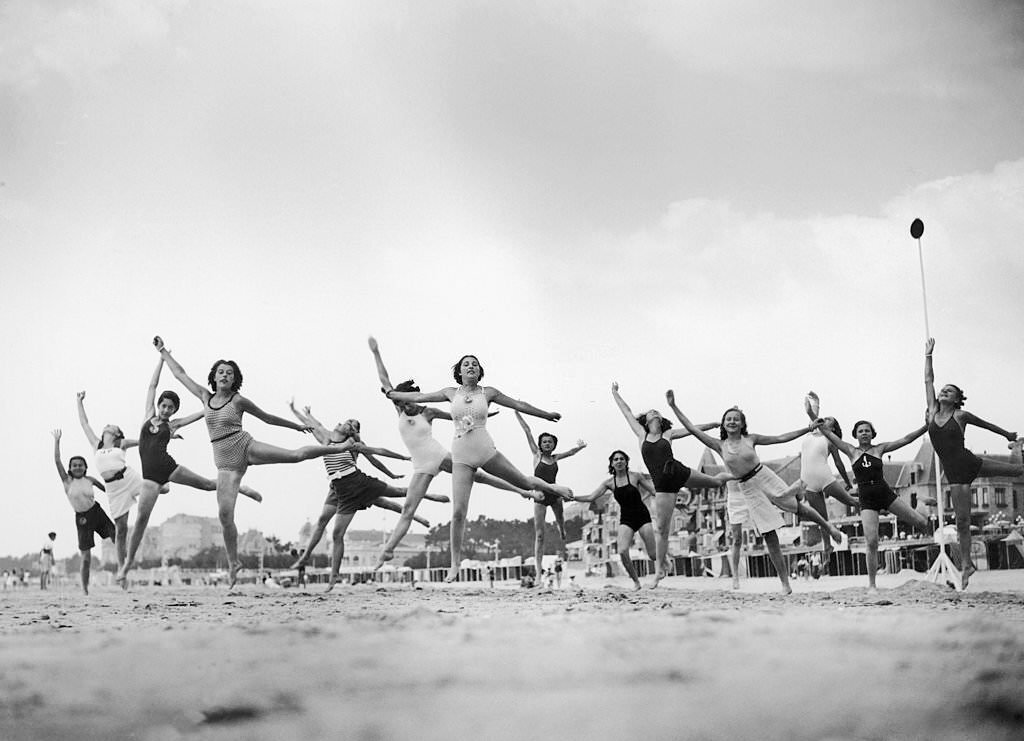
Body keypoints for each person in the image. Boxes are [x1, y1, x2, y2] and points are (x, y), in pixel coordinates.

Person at [153, 336, 356, 587]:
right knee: (225, 515)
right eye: (221, 372)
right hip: (225, 461)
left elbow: (267, 418)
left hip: (245, 446)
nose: (225, 375)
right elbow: (180, 374)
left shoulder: (238, 400)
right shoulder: (205, 397)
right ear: (214, 377)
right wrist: (163, 351)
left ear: (234, 378)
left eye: (229, 373)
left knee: (294, 456)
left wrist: (295, 426)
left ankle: (339, 449)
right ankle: (233, 563)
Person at [385, 354, 574, 582]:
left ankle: (556, 489)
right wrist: (393, 394)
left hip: (485, 450)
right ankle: (454, 565)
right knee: (458, 512)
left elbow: (518, 404)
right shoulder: (450, 393)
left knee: (524, 482)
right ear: (460, 372)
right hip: (461, 456)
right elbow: (421, 396)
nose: (470, 366)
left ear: (479, 370)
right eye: (466, 364)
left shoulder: (489, 393)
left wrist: (545, 414)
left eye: (474, 363)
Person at [368, 337, 540, 569]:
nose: (411, 407)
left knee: (480, 476)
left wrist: (485, 413)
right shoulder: (400, 409)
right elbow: (385, 381)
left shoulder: (428, 411)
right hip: (421, 464)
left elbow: (458, 415)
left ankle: (521, 490)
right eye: (407, 404)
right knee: (408, 509)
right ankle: (387, 551)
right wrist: (376, 352)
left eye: (414, 403)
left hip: (438, 454)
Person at [667, 393, 842, 595]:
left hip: (764, 475)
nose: (732, 422)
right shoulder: (719, 444)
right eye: (728, 419)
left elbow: (780, 438)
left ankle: (828, 526)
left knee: (799, 508)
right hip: (746, 487)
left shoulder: (751, 439)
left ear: (742, 424)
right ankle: (785, 583)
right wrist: (673, 406)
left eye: (736, 419)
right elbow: (691, 428)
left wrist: (807, 428)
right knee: (770, 535)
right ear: (723, 424)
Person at [118, 357, 263, 586]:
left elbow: (204, 412)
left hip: (168, 466)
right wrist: (160, 360)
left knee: (206, 484)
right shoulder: (148, 416)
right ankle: (126, 567)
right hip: (150, 479)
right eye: (163, 406)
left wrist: (208, 407)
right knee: (141, 521)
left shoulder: (173, 424)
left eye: (170, 408)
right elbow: (152, 387)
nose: (166, 410)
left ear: (174, 410)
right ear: (158, 405)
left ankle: (239, 487)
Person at [287, 402, 445, 593]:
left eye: (350, 423)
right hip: (338, 488)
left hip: (357, 483)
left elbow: (376, 455)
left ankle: (427, 494)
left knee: (394, 495)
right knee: (330, 527)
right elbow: (313, 423)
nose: (345, 423)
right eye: (347, 421)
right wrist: (296, 411)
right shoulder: (326, 438)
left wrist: (398, 464)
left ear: (351, 431)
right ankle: (316, 564)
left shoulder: (352, 444)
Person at [611, 382, 733, 587]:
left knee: (714, 481)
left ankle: (737, 475)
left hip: (678, 471)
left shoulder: (668, 434)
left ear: (661, 419)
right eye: (651, 412)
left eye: (657, 411)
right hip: (662, 485)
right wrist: (615, 393)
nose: (654, 413)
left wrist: (713, 424)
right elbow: (627, 412)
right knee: (662, 528)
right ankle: (659, 571)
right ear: (646, 420)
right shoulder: (642, 435)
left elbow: (692, 429)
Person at [925, 338, 1023, 588]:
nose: (944, 391)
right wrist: (928, 356)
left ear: (957, 399)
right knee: (962, 522)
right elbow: (928, 381)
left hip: (970, 463)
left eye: (950, 391)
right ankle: (967, 564)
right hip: (955, 473)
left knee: (1018, 470)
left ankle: (1017, 448)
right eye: (943, 390)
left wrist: (1007, 436)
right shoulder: (932, 412)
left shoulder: (961, 415)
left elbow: (986, 425)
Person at [819, 418, 930, 591]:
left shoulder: (880, 448)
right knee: (871, 542)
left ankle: (921, 504)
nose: (864, 433)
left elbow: (906, 439)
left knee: (922, 523)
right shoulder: (851, 450)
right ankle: (872, 584)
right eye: (861, 431)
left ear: (872, 433)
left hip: (885, 493)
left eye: (867, 430)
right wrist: (814, 418)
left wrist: (926, 426)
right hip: (867, 499)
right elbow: (829, 435)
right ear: (855, 435)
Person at [75, 391, 146, 571]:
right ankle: (123, 569)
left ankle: (166, 478)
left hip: (128, 478)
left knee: (162, 489)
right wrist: (79, 402)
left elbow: (145, 440)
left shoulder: (120, 443)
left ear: (116, 432)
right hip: (113, 489)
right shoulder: (96, 444)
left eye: (111, 425)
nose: (107, 425)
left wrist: (168, 435)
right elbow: (84, 423)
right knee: (121, 530)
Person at [514, 410, 586, 579]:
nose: (547, 444)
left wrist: (580, 447)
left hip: (555, 495)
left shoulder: (554, 458)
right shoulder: (536, 455)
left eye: (550, 442)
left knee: (560, 520)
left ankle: (561, 529)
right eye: (544, 442)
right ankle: (539, 572)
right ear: (540, 444)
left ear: (554, 445)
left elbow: (571, 452)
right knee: (539, 535)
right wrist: (517, 412)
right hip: (540, 497)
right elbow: (527, 430)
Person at [573, 450, 658, 591]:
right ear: (612, 463)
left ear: (626, 462)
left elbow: (653, 491)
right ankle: (636, 582)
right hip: (626, 518)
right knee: (623, 550)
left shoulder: (636, 477)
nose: (619, 461)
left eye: (622, 459)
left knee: (653, 555)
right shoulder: (609, 483)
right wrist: (573, 497)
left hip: (642, 515)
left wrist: (670, 498)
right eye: (616, 459)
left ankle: (664, 559)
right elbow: (591, 497)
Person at [800, 392, 858, 573]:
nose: (824, 420)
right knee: (822, 520)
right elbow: (815, 417)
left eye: (828, 421)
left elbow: (839, 463)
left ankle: (877, 506)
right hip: (807, 481)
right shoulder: (812, 433)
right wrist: (816, 402)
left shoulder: (830, 439)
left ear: (832, 428)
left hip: (824, 477)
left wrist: (847, 482)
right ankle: (827, 549)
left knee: (851, 501)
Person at [52, 430, 113, 596]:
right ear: (70, 468)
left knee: (117, 535)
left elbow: (109, 489)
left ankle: (124, 570)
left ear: (85, 467)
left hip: (97, 512)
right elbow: (57, 461)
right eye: (74, 465)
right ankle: (85, 588)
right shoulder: (67, 481)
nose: (77, 467)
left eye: (80, 465)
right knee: (86, 557)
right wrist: (57, 441)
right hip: (82, 519)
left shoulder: (90, 480)